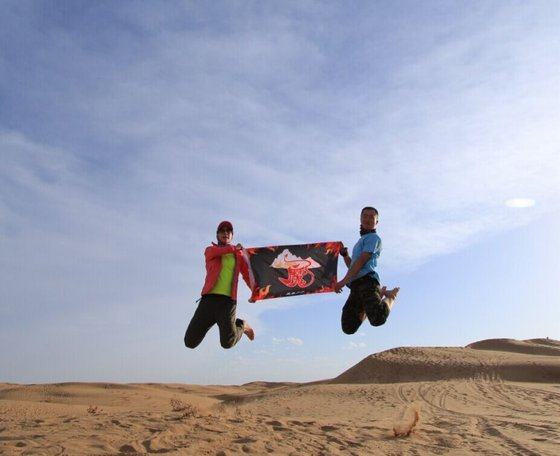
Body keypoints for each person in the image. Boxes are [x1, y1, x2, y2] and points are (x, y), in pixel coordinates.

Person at [184, 221, 255, 349]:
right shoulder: (211, 250)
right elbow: (217, 252)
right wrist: (234, 248)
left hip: (227, 303)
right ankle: (218, 321)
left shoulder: (238, 256)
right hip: (208, 301)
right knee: (190, 342)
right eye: (222, 231)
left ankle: (242, 325)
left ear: (232, 236)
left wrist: (254, 292)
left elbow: (247, 275)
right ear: (217, 235)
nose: (225, 233)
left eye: (229, 231)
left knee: (227, 343)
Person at [334, 207, 399, 334]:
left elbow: (362, 260)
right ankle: (376, 297)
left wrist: (342, 282)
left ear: (376, 222)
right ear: (360, 219)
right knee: (348, 327)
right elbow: (353, 266)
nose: (368, 219)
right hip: (355, 286)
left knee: (378, 318)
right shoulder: (360, 242)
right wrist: (345, 256)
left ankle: (390, 296)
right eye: (365, 216)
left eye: (371, 217)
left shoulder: (374, 238)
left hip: (367, 282)